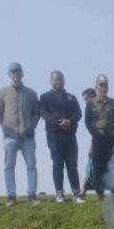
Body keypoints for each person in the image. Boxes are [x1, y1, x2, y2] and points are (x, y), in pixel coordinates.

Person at [0, 62, 40, 206]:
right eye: (13, 72)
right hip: (10, 137)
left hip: (28, 137)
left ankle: (32, 196)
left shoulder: (31, 93)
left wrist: (31, 126)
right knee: (9, 167)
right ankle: (11, 197)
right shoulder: (2, 92)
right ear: (9, 74)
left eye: (18, 71)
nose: (16, 74)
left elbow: (36, 113)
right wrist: (6, 127)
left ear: (22, 73)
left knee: (31, 166)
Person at [39, 71, 84, 203]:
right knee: (57, 164)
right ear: (51, 81)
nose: (58, 82)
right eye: (55, 79)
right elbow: (44, 113)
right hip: (54, 135)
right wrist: (60, 122)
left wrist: (70, 121)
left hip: (70, 135)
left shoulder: (71, 97)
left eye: (60, 79)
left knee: (72, 165)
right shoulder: (45, 97)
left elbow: (78, 113)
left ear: (64, 81)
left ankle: (76, 194)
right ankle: (59, 194)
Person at [84, 74, 114, 201]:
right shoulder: (91, 104)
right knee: (99, 167)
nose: (104, 88)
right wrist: (95, 134)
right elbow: (87, 122)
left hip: (112, 139)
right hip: (98, 139)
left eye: (105, 85)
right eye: (101, 85)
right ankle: (100, 194)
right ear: (96, 87)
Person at [77, 88, 96, 198]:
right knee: (91, 166)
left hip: (105, 142)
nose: (85, 102)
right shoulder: (90, 110)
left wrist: (92, 146)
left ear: (93, 97)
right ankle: (83, 191)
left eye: (87, 99)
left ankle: (85, 191)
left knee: (95, 167)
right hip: (96, 141)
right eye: (84, 100)